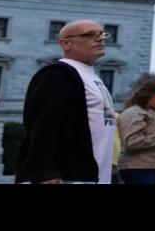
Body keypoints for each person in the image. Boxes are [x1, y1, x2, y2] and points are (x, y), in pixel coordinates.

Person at [14, 20, 117, 185]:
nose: (100, 39)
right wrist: (44, 171)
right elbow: (43, 125)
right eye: (89, 35)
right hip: (69, 176)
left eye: (102, 34)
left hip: (95, 175)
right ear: (66, 44)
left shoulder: (93, 76)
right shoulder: (56, 74)